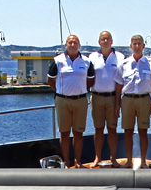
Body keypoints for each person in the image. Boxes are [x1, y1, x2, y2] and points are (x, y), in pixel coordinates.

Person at [47, 34, 94, 167]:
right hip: (63, 101)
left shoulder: (86, 61)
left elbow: (91, 80)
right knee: (65, 133)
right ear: (66, 45)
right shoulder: (57, 60)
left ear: (79, 45)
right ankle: (66, 161)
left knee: (79, 133)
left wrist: (79, 89)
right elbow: (50, 80)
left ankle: (78, 161)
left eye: (75, 42)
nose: (73, 45)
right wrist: (62, 91)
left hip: (80, 100)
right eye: (70, 42)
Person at [115, 34, 151, 168]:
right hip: (128, 100)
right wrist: (117, 104)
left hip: (144, 100)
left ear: (143, 46)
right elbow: (118, 86)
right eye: (135, 44)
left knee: (143, 131)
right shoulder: (124, 64)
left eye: (139, 43)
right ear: (131, 46)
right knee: (128, 132)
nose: (137, 46)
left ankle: (143, 161)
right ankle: (129, 161)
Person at [86, 31, 124, 167]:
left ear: (112, 41)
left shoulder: (120, 57)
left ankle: (113, 159)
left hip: (113, 98)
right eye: (103, 39)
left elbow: (121, 80)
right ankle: (98, 158)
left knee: (112, 129)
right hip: (96, 97)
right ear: (99, 42)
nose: (105, 41)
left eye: (108, 39)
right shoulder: (92, 57)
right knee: (98, 129)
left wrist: (118, 103)